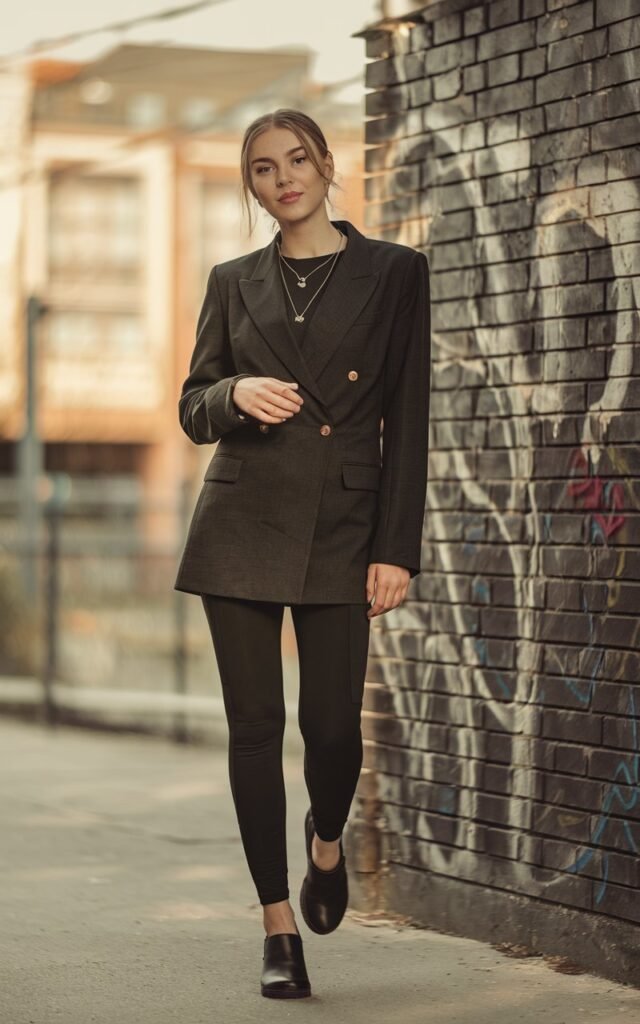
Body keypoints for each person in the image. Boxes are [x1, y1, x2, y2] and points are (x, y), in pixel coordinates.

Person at [174, 108, 431, 999]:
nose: (282, 178)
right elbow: (192, 403)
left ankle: (327, 842)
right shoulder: (233, 280)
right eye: (261, 169)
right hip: (241, 524)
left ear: (326, 164)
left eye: (295, 160)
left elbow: (411, 417)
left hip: (344, 529)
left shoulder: (396, 272)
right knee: (254, 730)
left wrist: (397, 546)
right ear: (251, 187)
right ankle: (279, 928)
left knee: (330, 731)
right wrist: (234, 391)